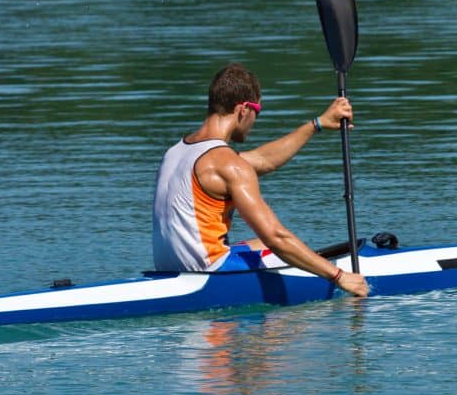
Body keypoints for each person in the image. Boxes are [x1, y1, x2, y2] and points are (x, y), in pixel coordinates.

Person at [152, 62, 370, 297]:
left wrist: (316, 124)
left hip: (168, 270)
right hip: (210, 275)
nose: (256, 120)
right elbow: (276, 237)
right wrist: (339, 276)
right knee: (279, 248)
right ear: (243, 109)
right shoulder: (228, 164)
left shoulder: (177, 152)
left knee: (261, 246)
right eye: (258, 110)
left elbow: (263, 160)